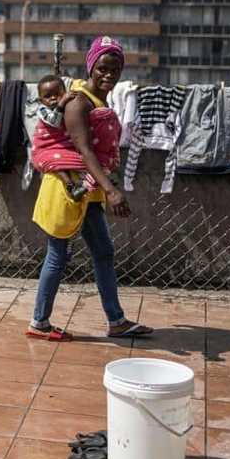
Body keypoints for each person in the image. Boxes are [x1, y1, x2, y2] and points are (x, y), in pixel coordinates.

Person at [27, 37, 152, 341]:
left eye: (116, 69)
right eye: (103, 68)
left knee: (104, 252)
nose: (109, 75)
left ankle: (116, 320)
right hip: (66, 190)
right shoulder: (78, 102)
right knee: (57, 256)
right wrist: (111, 190)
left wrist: (104, 187)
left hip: (90, 190)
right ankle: (39, 323)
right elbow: (85, 150)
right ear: (91, 66)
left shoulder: (98, 101)